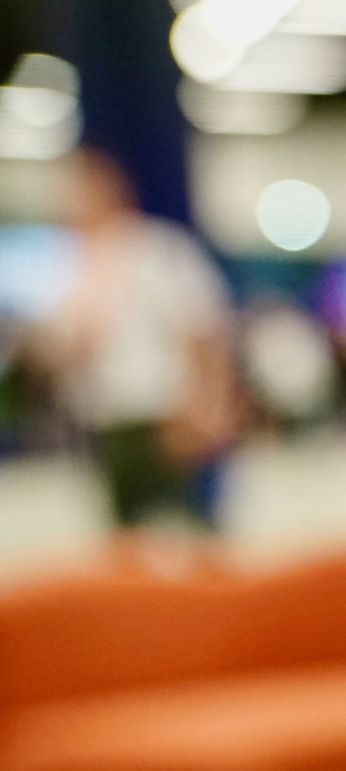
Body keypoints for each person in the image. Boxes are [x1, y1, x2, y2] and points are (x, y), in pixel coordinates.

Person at [31, 149, 239, 528]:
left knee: (186, 536)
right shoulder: (72, 268)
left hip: (166, 416)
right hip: (108, 422)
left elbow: (203, 332)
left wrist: (205, 406)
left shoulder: (158, 251)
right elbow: (58, 350)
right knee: (127, 546)